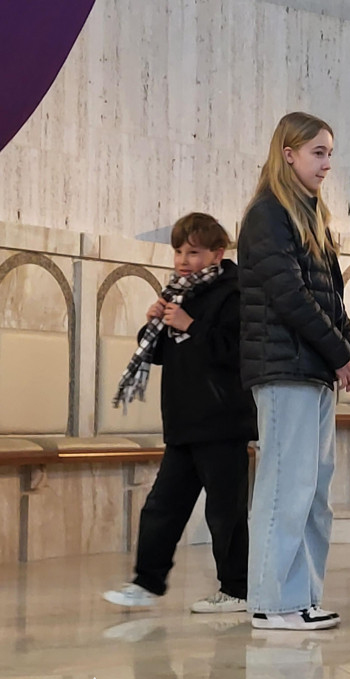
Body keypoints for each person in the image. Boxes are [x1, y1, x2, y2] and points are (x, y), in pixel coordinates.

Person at [237, 111, 350, 631]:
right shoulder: (268, 214)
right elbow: (288, 295)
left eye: (330, 153)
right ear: (287, 153)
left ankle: (302, 596)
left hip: (313, 368)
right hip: (284, 366)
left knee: (314, 490)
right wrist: (336, 352)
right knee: (285, 486)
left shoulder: (313, 215)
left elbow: (330, 295)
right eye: (318, 153)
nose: (327, 163)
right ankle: (272, 602)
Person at [104, 212, 257, 613]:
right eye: (177, 251)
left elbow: (237, 352)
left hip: (222, 421)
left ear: (217, 253)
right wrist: (152, 325)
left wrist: (191, 324)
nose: (182, 260)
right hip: (185, 421)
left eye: (193, 252)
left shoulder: (234, 292)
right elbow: (160, 353)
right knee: (162, 508)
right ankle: (146, 583)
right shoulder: (179, 291)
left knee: (225, 512)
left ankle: (238, 589)